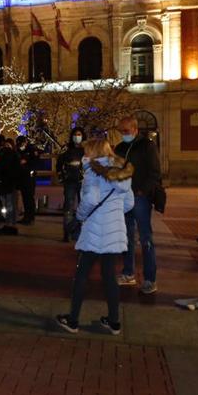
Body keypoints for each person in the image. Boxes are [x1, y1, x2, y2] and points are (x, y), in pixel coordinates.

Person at [54, 137, 134, 336]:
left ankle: (73, 320)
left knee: (81, 275)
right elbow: (129, 203)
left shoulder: (93, 172)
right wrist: (114, 211)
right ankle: (114, 322)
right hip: (114, 230)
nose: (84, 155)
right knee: (109, 278)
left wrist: (80, 216)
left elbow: (90, 199)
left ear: (95, 152)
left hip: (95, 231)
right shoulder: (122, 172)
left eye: (87, 151)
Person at [114, 116, 162, 293]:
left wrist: (142, 191)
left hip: (140, 197)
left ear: (135, 129)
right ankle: (128, 273)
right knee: (126, 237)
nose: (123, 134)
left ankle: (150, 278)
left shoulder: (147, 146)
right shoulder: (120, 148)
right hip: (123, 197)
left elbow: (155, 171)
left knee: (145, 238)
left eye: (125, 131)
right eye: (121, 131)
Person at [59, 127, 85, 243]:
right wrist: (62, 176)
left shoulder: (86, 150)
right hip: (70, 181)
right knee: (68, 207)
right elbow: (59, 164)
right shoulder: (67, 150)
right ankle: (67, 231)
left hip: (82, 182)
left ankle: (81, 232)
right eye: (75, 134)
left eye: (79, 134)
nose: (77, 136)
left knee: (83, 207)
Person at [0, 136, 21, 231]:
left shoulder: (14, 156)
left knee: (10, 204)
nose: (7, 147)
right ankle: (8, 223)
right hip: (3, 183)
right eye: (5, 145)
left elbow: (17, 170)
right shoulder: (2, 155)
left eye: (9, 145)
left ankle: (10, 224)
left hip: (10, 183)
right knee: (6, 204)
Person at [16, 135, 41, 225]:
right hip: (22, 177)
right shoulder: (18, 150)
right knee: (25, 197)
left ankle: (30, 217)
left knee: (29, 197)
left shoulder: (31, 150)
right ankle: (27, 216)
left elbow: (36, 161)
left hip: (29, 177)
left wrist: (27, 162)